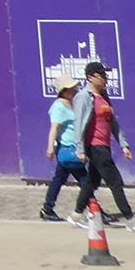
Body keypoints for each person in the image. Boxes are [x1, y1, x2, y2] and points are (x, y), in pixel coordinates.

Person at [71, 61, 135, 231]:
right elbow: (78, 124)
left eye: (106, 75)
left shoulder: (104, 96)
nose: (105, 78)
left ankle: (76, 214)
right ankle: (130, 219)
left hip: (104, 145)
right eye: (102, 75)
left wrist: (124, 144)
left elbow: (113, 123)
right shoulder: (83, 97)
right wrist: (80, 149)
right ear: (90, 77)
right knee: (115, 181)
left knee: (92, 181)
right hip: (94, 145)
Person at [39, 75, 97, 223]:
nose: (75, 90)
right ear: (64, 91)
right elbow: (54, 128)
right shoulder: (59, 107)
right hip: (68, 149)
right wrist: (50, 147)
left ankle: (47, 208)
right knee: (84, 180)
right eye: (72, 88)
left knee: (59, 179)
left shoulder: (70, 104)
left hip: (71, 148)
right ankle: (95, 210)